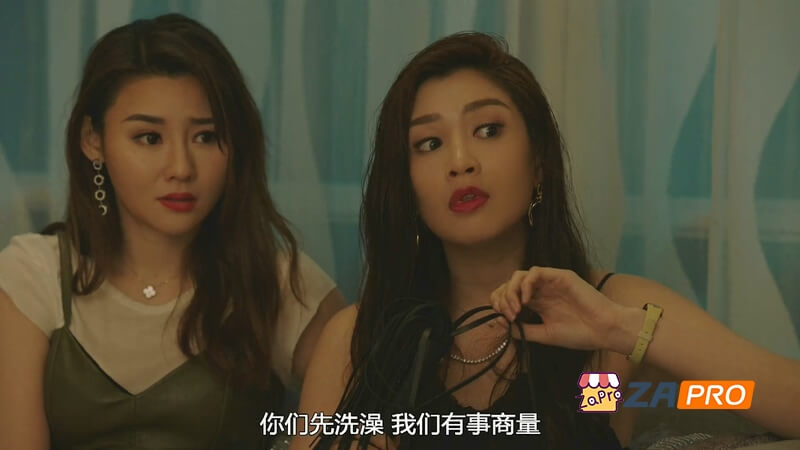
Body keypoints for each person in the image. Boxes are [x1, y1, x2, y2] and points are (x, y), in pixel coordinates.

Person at [292, 32, 800, 449]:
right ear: (406, 188)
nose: (460, 161)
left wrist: (624, 330)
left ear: (538, 164)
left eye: (488, 130)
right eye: (430, 143)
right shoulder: (359, 336)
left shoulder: (615, 320)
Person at [0, 14, 345, 449]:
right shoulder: (33, 277)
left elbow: (370, 414)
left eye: (206, 137)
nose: (181, 167)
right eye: (149, 138)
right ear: (94, 140)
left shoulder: (278, 281)